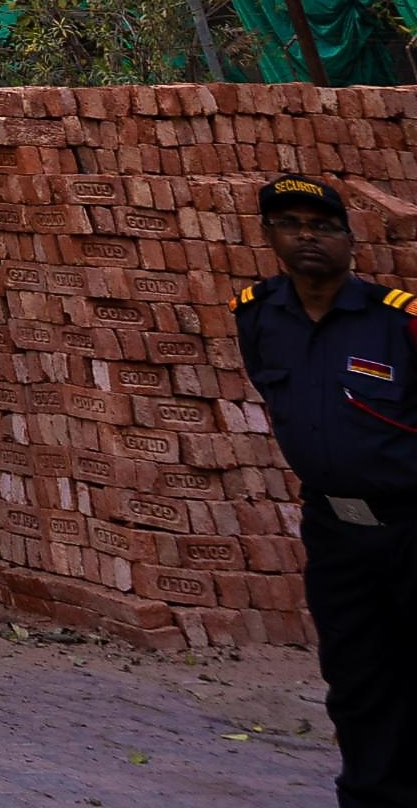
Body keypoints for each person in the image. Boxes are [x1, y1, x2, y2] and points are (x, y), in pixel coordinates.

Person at [234, 171, 417, 808]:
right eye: (290, 225)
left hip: (411, 524)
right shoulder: (259, 316)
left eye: (323, 227)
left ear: (350, 240)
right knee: (356, 677)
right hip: (335, 532)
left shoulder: (398, 323)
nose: (306, 237)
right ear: (269, 236)